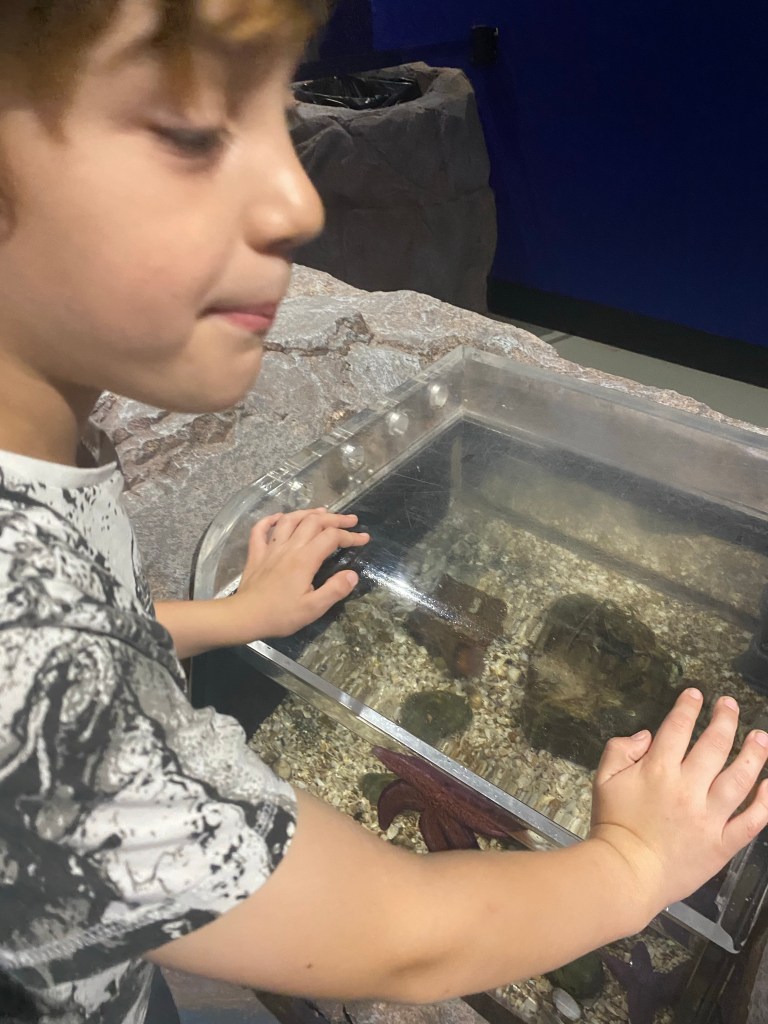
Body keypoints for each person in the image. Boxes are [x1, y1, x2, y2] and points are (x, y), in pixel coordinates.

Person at [1, 2, 767, 1022]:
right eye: (190, 132)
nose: (298, 200)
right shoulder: (36, 681)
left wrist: (230, 618)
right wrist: (634, 863)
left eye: (278, 122)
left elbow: (79, 621)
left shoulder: (39, 474)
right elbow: (400, 937)